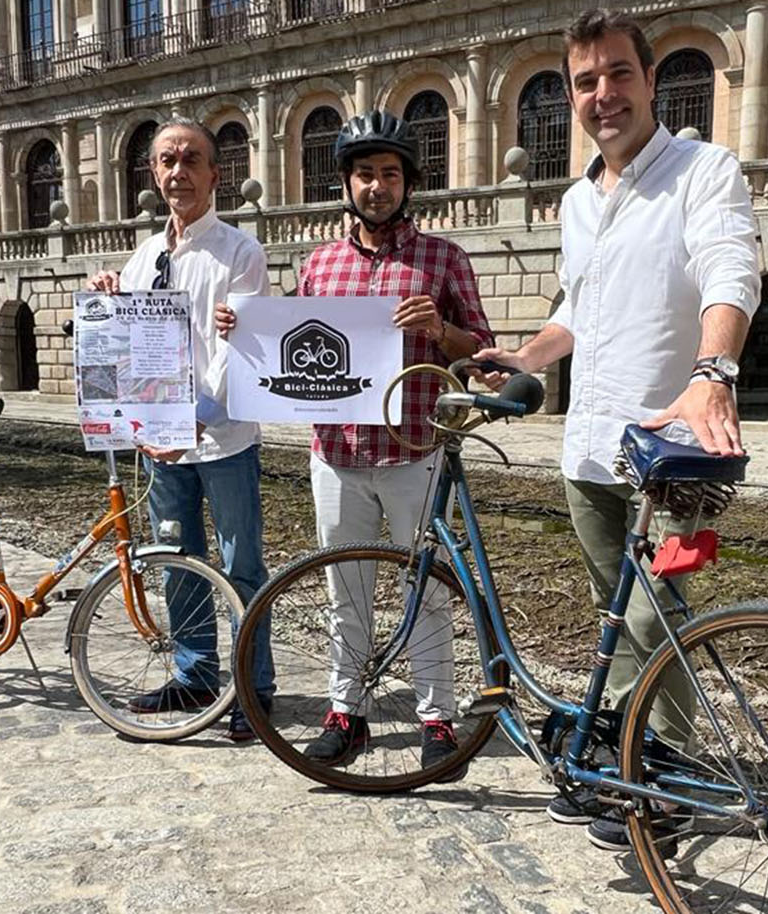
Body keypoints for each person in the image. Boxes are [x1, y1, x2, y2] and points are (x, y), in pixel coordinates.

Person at [472, 8, 760, 851]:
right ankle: (635, 757)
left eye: (617, 74)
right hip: (589, 450)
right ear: (572, 95)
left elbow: (729, 268)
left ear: (649, 78)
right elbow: (578, 311)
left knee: (653, 614)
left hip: (674, 449)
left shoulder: (704, 170)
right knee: (617, 611)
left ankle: (666, 777)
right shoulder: (573, 200)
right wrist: (525, 355)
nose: (603, 94)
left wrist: (713, 375)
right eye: (585, 81)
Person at [220, 111, 494, 775]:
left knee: (425, 590)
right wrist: (242, 329)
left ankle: (436, 717)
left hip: (414, 452)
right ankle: (347, 713)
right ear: (346, 182)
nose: (377, 186)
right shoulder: (321, 265)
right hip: (336, 456)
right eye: (365, 173)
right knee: (345, 591)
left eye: (389, 174)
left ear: (407, 184)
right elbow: (292, 345)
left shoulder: (443, 259)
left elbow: (483, 353)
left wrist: (442, 332)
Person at [85, 117, 275, 738]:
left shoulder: (241, 253)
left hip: (222, 438)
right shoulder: (143, 258)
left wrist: (193, 417)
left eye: (191, 159)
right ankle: (195, 676)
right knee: (175, 558)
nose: (178, 171)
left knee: (241, 563)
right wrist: (107, 297)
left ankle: (253, 687)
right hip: (159, 442)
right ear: (153, 174)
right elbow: (131, 342)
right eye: (167, 160)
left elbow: (236, 354)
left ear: (215, 175)